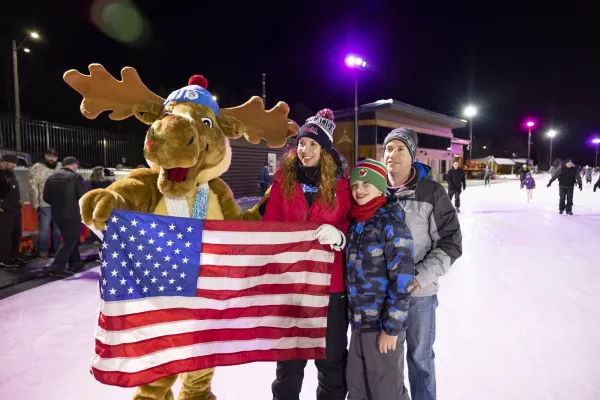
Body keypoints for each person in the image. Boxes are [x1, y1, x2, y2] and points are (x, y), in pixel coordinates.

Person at [265, 108, 352, 400]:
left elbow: (354, 224)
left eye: (313, 144)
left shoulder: (342, 186)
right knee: (289, 364)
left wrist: (341, 235)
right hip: (292, 287)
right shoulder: (282, 183)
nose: (305, 150)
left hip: (331, 287)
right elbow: (269, 228)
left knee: (331, 363)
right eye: (302, 143)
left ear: (325, 150)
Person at [384, 128, 462, 400]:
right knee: (388, 364)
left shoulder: (431, 191)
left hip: (419, 294)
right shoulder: (375, 190)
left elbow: (451, 242)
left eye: (400, 149)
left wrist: (418, 278)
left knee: (420, 360)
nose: (392, 154)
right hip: (384, 295)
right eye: (388, 149)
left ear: (412, 154)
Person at [345, 159, 414, 400]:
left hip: (382, 327)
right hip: (358, 324)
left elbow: (403, 279)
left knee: (386, 392)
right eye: (355, 185)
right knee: (357, 388)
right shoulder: (356, 222)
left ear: (381, 187)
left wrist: (392, 329)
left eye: (367, 184)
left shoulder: (390, 221)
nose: (359, 190)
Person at [43, 157, 87, 277]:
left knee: (70, 238)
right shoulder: (76, 177)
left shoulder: (51, 178)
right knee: (70, 239)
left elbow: (46, 197)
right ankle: (57, 267)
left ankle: (75, 262)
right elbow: (83, 197)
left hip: (57, 213)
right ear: (74, 164)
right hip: (72, 213)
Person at [29, 148, 62, 258]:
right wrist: (35, 203)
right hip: (44, 204)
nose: (52, 158)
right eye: (49, 156)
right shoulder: (37, 167)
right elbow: (33, 186)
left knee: (57, 229)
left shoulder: (60, 167)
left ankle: (56, 249)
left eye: (54, 156)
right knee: (44, 228)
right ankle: (43, 251)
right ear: (45, 156)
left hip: (58, 204)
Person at [0, 154, 26, 269]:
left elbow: (14, 188)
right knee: (5, 236)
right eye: (13, 163)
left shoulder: (10, 172)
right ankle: (4, 260)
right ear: (4, 162)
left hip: (15, 208)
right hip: (4, 209)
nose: (15, 165)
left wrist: (19, 199)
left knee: (16, 233)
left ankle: (14, 254)